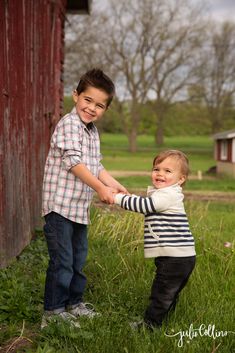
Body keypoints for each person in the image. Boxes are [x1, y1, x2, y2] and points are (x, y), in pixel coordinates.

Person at [41, 68, 128, 329]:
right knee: (63, 261)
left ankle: (74, 304)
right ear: (75, 95)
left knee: (78, 260)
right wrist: (101, 189)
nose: (92, 108)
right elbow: (75, 163)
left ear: (105, 110)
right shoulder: (69, 124)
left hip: (79, 208)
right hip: (59, 207)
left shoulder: (91, 132)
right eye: (88, 100)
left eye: (99, 105)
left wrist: (114, 184)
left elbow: (96, 165)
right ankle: (53, 313)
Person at [114, 150, 196, 329]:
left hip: (175, 257)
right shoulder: (165, 193)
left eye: (168, 171)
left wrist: (116, 198)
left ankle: (150, 325)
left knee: (161, 293)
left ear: (181, 179)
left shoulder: (168, 195)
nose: (160, 174)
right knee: (169, 292)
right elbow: (147, 201)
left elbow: (145, 205)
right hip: (179, 256)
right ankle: (163, 319)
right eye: (156, 169)